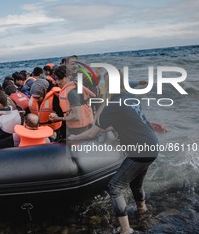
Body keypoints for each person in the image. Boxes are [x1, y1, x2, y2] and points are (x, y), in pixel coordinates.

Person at [68, 71, 158, 234]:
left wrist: (74, 136)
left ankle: (126, 230)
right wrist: (141, 82)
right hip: (152, 145)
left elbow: (91, 133)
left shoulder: (113, 105)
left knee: (114, 187)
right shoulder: (129, 92)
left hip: (140, 151)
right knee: (135, 184)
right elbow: (132, 83)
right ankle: (143, 211)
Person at [49, 65, 95, 135]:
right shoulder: (69, 90)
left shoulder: (72, 93)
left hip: (80, 128)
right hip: (78, 126)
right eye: (55, 79)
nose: (57, 82)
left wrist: (58, 118)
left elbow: (76, 116)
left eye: (60, 79)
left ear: (69, 77)